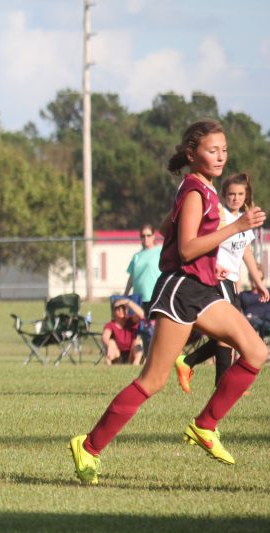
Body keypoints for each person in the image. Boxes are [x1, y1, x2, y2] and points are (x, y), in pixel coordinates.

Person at [68, 120, 267, 485]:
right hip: (181, 290)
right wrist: (236, 228)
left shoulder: (201, 188)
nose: (220, 156)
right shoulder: (194, 190)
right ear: (193, 154)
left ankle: (205, 426)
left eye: (223, 149)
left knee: (255, 351)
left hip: (204, 288)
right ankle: (90, 446)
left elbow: (166, 229)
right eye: (212, 150)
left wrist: (212, 257)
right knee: (153, 380)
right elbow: (188, 247)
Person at [175, 172, 269, 391]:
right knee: (230, 334)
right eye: (231, 194)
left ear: (246, 196)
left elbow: (246, 255)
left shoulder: (244, 220)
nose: (235, 198)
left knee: (228, 336)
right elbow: (206, 243)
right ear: (224, 195)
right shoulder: (221, 217)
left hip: (231, 284)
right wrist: (211, 267)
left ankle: (188, 362)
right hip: (217, 280)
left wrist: (259, 283)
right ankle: (222, 384)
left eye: (239, 194)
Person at [124, 224, 161, 311]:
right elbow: (131, 278)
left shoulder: (160, 251)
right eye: (143, 236)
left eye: (148, 235)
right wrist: (125, 295)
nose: (146, 238)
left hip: (154, 297)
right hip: (138, 299)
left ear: (153, 236)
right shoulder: (137, 256)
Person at [102, 298, 146, 366]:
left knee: (137, 341)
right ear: (113, 311)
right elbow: (105, 337)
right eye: (118, 309)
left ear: (127, 310)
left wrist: (128, 302)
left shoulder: (131, 320)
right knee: (111, 342)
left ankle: (135, 365)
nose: (121, 310)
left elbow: (141, 315)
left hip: (131, 354)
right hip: (117, 355)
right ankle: (109, 368)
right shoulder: (111, 325)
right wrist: (109, 345)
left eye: (123, 308)